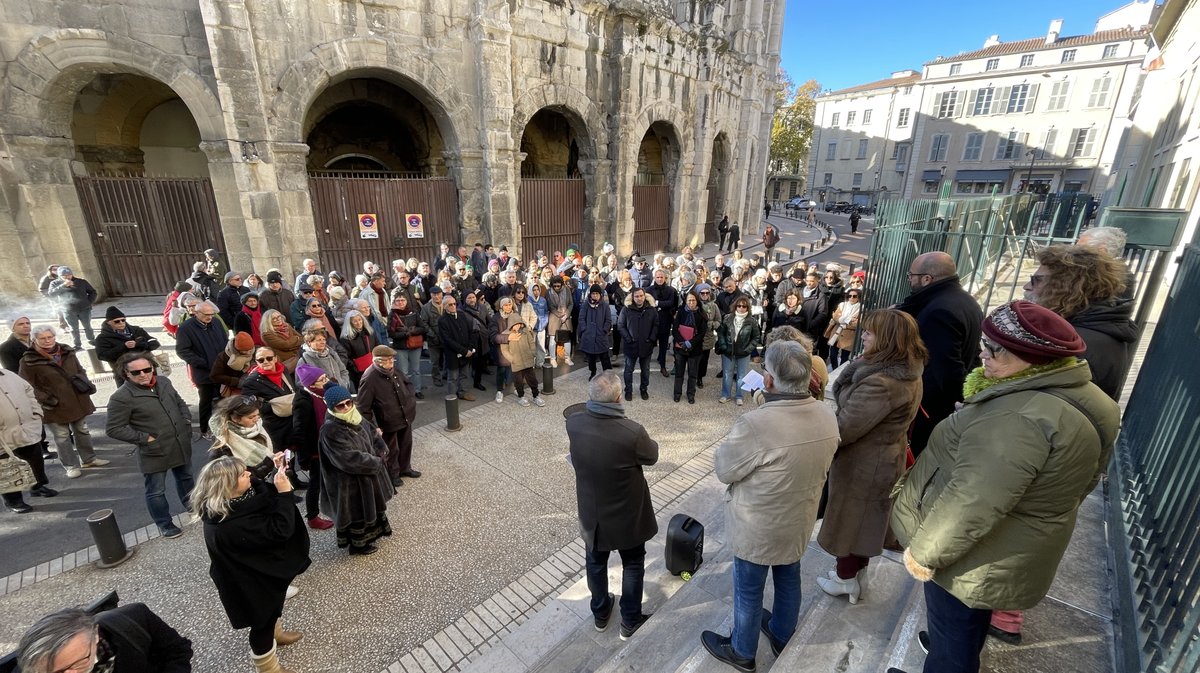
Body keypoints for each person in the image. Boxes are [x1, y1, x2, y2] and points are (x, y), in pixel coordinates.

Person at [889, 301, 1120, 673]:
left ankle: (949, 660)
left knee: (954, 630)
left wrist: (925, 553)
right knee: (968, 621)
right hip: (1011, 542)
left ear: (1030, 358)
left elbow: (972, 500)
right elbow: (1089, 476)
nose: (982, 352)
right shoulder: (1089, 397)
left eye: (993, 348)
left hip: (976, 553)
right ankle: (951, 653)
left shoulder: (1017, 418)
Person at [702, 340, 840, 670]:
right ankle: (781, 634)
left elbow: (725, 469)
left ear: (768, 381)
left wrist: (760, 410)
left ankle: (742, 651)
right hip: (799, 518)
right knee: (789, 577)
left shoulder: (755, 424)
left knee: (748, 589)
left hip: (759, 525)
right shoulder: (826, 415)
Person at [816, 310, 925, 603]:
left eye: (869, 333)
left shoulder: (883, 383)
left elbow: (846, 427)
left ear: (887, 339)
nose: (863, 336)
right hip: (882, 458)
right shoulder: (906, 369)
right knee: (864, 523)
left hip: (864, 464)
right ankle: (856, 575)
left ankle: (845, 578)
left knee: (851, 522)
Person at [192, 455, 309, 673]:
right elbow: (279, 530)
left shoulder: (229, 502)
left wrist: (271, 468)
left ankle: (277, 632)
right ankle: (269, 668)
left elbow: (254, 480)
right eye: (242, 473)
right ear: (228, 485)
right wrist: (284, 494)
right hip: (249, 581)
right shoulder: (229, 524)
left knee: (272, 608)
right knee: (261, 623)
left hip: (256, 571)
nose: (248, 473)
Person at [567, 370, 658, 640]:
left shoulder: (573, 423)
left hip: (593, 513)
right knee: (633, 562)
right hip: (627, 513)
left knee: (595, 561)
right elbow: (652, 455)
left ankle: (601, 612)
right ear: (618, 398)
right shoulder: (631, 432)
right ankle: (630, 619)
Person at [895, 251, 984, 457]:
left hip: (929, 411)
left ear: (927, 279)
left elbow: (945, 369)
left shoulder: (939, 311)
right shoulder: (966, 301)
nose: (909, 280)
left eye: (911, 275)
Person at [1023, 244, 1136, 401]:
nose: (1026, 286)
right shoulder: (1097, 327)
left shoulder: (1074, 343)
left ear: (1067, 287)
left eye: (1037, 280)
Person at [106, 353, 194, 538]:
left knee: (186, 479)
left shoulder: (163, 382)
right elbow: (114, 428)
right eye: (136, 372)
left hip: (179, 442)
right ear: (126, 374)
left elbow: (179, 403)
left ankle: (194, 508)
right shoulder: (121, 397)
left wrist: (186, 420)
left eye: (147, 369)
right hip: (155, 451)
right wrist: (145, 438)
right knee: (156, 490)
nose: (143, 374)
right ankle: (165, 524)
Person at [318, 384, 395, 555]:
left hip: (367, 475)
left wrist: (381, 448)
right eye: (340, 405)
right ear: (332, 407)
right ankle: (358, 545)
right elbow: (347, 459)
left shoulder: (355, 415)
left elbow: (373, 433)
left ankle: (374, 534)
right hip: (349, 482)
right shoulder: (330, 430)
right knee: (357, 513)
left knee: (371, 506)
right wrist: (377, 461)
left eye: (348, 403)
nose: (346, 408)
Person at [20, 326, 105, 478]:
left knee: (82, 431)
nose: (47, 341)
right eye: (43, 338)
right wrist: (46, 399)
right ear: (34, 340)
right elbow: (27, 385)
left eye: (50, 337)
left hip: (76, 399)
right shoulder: (28, 360)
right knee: (62, 437)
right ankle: (71, 466)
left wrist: (84, 383)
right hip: (53, 405)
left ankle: (89, 459)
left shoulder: (67, 351)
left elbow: (80, 370)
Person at [16, 603, 192, 673]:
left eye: (79, 664)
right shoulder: (33, 666)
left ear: (96, 637)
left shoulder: (134, 620)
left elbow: (178, 650)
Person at [356, 345, 419, 487]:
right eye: (388, 360)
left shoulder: (392, 369)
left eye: (392, 360)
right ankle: (393, 474)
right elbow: (362, 407)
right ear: (378, 361)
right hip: (388, 421)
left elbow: (407, 383)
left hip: (405, 415)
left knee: (406, 444)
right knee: (391, 450)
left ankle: (405, 468)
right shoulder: (369, 377)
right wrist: (374, 426)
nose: (392, 363)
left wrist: (410, 399)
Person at [1, 367, 57, 514]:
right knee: (6, 468)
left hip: (25, 428)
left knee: (34, 457)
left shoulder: (8, 374)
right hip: (2, 435)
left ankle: (37, 486)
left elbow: (28, 390)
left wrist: (36, 411)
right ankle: (13, 500)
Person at [176, 300, 228, 439]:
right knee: (206, 402)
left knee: (224, 399)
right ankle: (205, 429)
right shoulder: (186, 328)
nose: (210, 317)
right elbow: (182, 351)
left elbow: (225, 340)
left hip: (221, 369)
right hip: (204, 372)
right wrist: (202, 363)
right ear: (196, 313)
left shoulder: (216, 323)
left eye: (211, 314)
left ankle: (224, 426)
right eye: (206, 315)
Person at [293, 364, 335, 530]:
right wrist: (304, 458)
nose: (326, 382)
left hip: (328, 445)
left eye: (325, 378)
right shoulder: (303, 400)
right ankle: (312, 516)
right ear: (311, 384)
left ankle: (332, 507)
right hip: (314, 450)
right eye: (321, 380)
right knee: (315, 483)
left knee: (328, 480)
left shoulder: (322, 394)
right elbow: (299, 431)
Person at [239, 347, 296, 455]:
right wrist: (273, 407)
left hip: (294, 420)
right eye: (261, 360)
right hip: (275, 426)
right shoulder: (251, 381)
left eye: (269, 358)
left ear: (275, 359)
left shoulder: (284, 370)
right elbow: (248, 404)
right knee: (283, 457)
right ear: (256, 362)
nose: (265, 362)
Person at [715, 296, 762, 406]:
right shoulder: (727, 318)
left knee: (742, 375)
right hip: (728, 352)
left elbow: (756, 337)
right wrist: (723, 345)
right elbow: (721, 333)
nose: (741, 308)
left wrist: (748, 350)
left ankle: (739, 395)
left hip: (743, 353)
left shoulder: (752, 321)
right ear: (735, 306)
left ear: (747, 308)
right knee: (727, 374)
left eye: (744, 306)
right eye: (739, 306)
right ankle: (725, 395)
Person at [617, 287, 658, 401]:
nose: (639, 298)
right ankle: (628, 390)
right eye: (637, 296)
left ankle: (644, 389)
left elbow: (656, 325)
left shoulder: (651, 310)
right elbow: (621, 325)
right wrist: (628, 339)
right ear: (632, 297)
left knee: (645, 370)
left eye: (641, 296)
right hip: (631, 346)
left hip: (646, 346)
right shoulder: (626, 309)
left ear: (645, 296)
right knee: (629, 369)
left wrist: (651, 339)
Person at [497, 310, 544, 407]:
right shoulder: (506, 334)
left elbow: (531, 342)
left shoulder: (525, 331)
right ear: (510, 324)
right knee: (518, 381)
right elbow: (504, 350)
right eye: (515, 324)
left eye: (519, 323)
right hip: (516, 362)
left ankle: (536, 396)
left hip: (528, 360)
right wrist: (512, 359)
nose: (517, 326)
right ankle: (521, 396)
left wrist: (532, 353)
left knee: (532, 379)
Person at [46, 266, 98, 349]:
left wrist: (88, 302)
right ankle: (77, 344)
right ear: (60, 276)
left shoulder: (81, 281)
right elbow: (51, 294)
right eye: (64, 276)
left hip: (84, 309)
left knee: (87, 326)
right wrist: (63, 285)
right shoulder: (55, 283)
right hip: (68, 310)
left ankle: (92, 340)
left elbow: (93, 292)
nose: (67, 277)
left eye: (69, 275)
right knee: (73, 328)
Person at [94, 306, 160, 368]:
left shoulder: (137, 330)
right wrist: (124, 346)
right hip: (123, 369)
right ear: (109, 323)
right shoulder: (102, 338)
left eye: (123, 320)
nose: (121, 323)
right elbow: (102, 356)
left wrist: (138, 344)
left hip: (146, 366)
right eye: (117, 321)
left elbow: (155, 343)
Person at [387, 294, 426, 399]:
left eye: (402, 300)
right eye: (398, 300)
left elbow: (422, 328)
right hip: (400, 347)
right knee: (403, 371)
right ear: (394, 302)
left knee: (416, 370)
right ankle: (405, 391)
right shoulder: (392, 315)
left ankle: (417, 390)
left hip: (415, 346)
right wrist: (405, 334)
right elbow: (391, 333)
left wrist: (412, 331)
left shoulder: (413, 312)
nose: (400, 302)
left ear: (406, 301)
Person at [671, 291, 707, 404]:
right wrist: (682, 342)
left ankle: (691, 394)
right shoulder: (681, 312)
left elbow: (702, 333)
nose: (691, 303)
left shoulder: (701, 314)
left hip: (695, 349)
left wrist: (691, 342)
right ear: (685, 301)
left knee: (692, 374)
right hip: (680, 348)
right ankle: (677, 394)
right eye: (689, 300)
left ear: (697, 301)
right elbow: (675, 329)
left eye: (693, 300)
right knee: (679, 373)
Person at [577, 284, 613, 379]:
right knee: (591, 358)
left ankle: (608, 375)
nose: (595, 296)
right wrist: (585, 329)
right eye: (593, 293)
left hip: (601, 335)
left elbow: (608, 319)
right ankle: (593, 372)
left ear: (600, 295)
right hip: (589, 335)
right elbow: (581, 318)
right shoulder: (586, 305)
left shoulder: (604, 305)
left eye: (597, 294)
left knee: (605, 357)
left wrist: (605, 330)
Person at [210, 332, 257, 399]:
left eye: (250, 350)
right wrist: (237, 382)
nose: (249, 353)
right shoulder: (224, 356)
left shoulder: (256, 351)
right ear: (237, 349)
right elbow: (214, 376)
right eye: (245, 351)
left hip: (253, 388)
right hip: (234, 392)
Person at [826, 289, 863, 369]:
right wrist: (848, 320)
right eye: (850, 296)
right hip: (836, 333)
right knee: (832, 355)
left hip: (849, 336)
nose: (851, 298)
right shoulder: (842, 305)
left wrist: (843, 321)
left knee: (844, 357)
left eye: (854, 296)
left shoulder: (861, 308)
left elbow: (857, 324)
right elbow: (835, 317)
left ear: (858, 297)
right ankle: (834, 368)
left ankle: (839, 371)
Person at [547, 276, 574, 367]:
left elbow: (571, 303)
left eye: (558, 286)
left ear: (562, 284)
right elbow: (550, 306)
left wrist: (566, 314)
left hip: (566, 317)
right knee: (552, 339)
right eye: (555, 286)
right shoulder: (548, 292)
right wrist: (559, 315)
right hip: (554, 317)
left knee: (567, 339)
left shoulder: (567, 290)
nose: (556, 288)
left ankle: (567, 358)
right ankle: (553, 359)